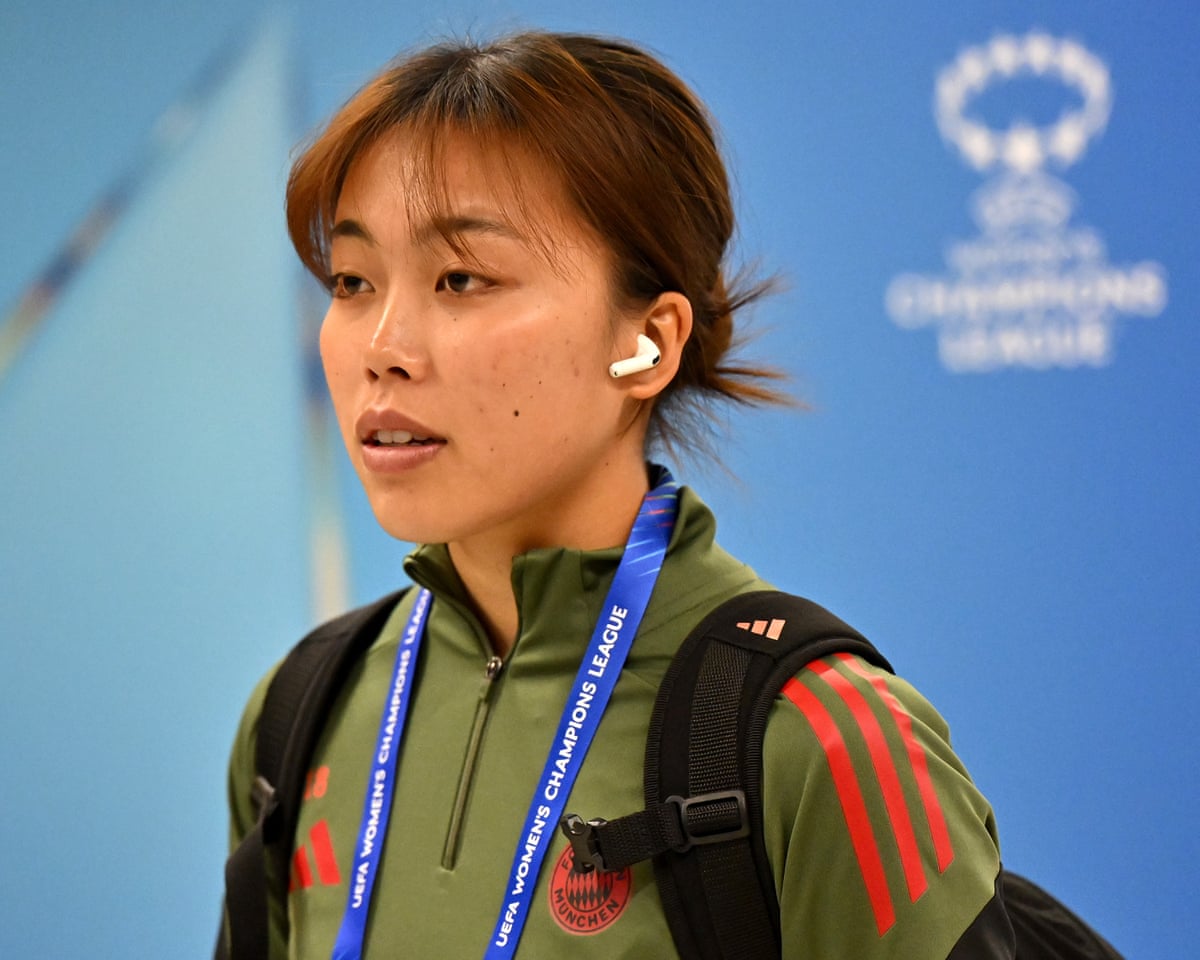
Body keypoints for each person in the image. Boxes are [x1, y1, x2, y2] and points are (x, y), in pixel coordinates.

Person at [223, 30, 1011, 959]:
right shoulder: (303, 710)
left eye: (461, 278)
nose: (381, 344)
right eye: (351, 281)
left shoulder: (821, 739)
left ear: (649, 342)